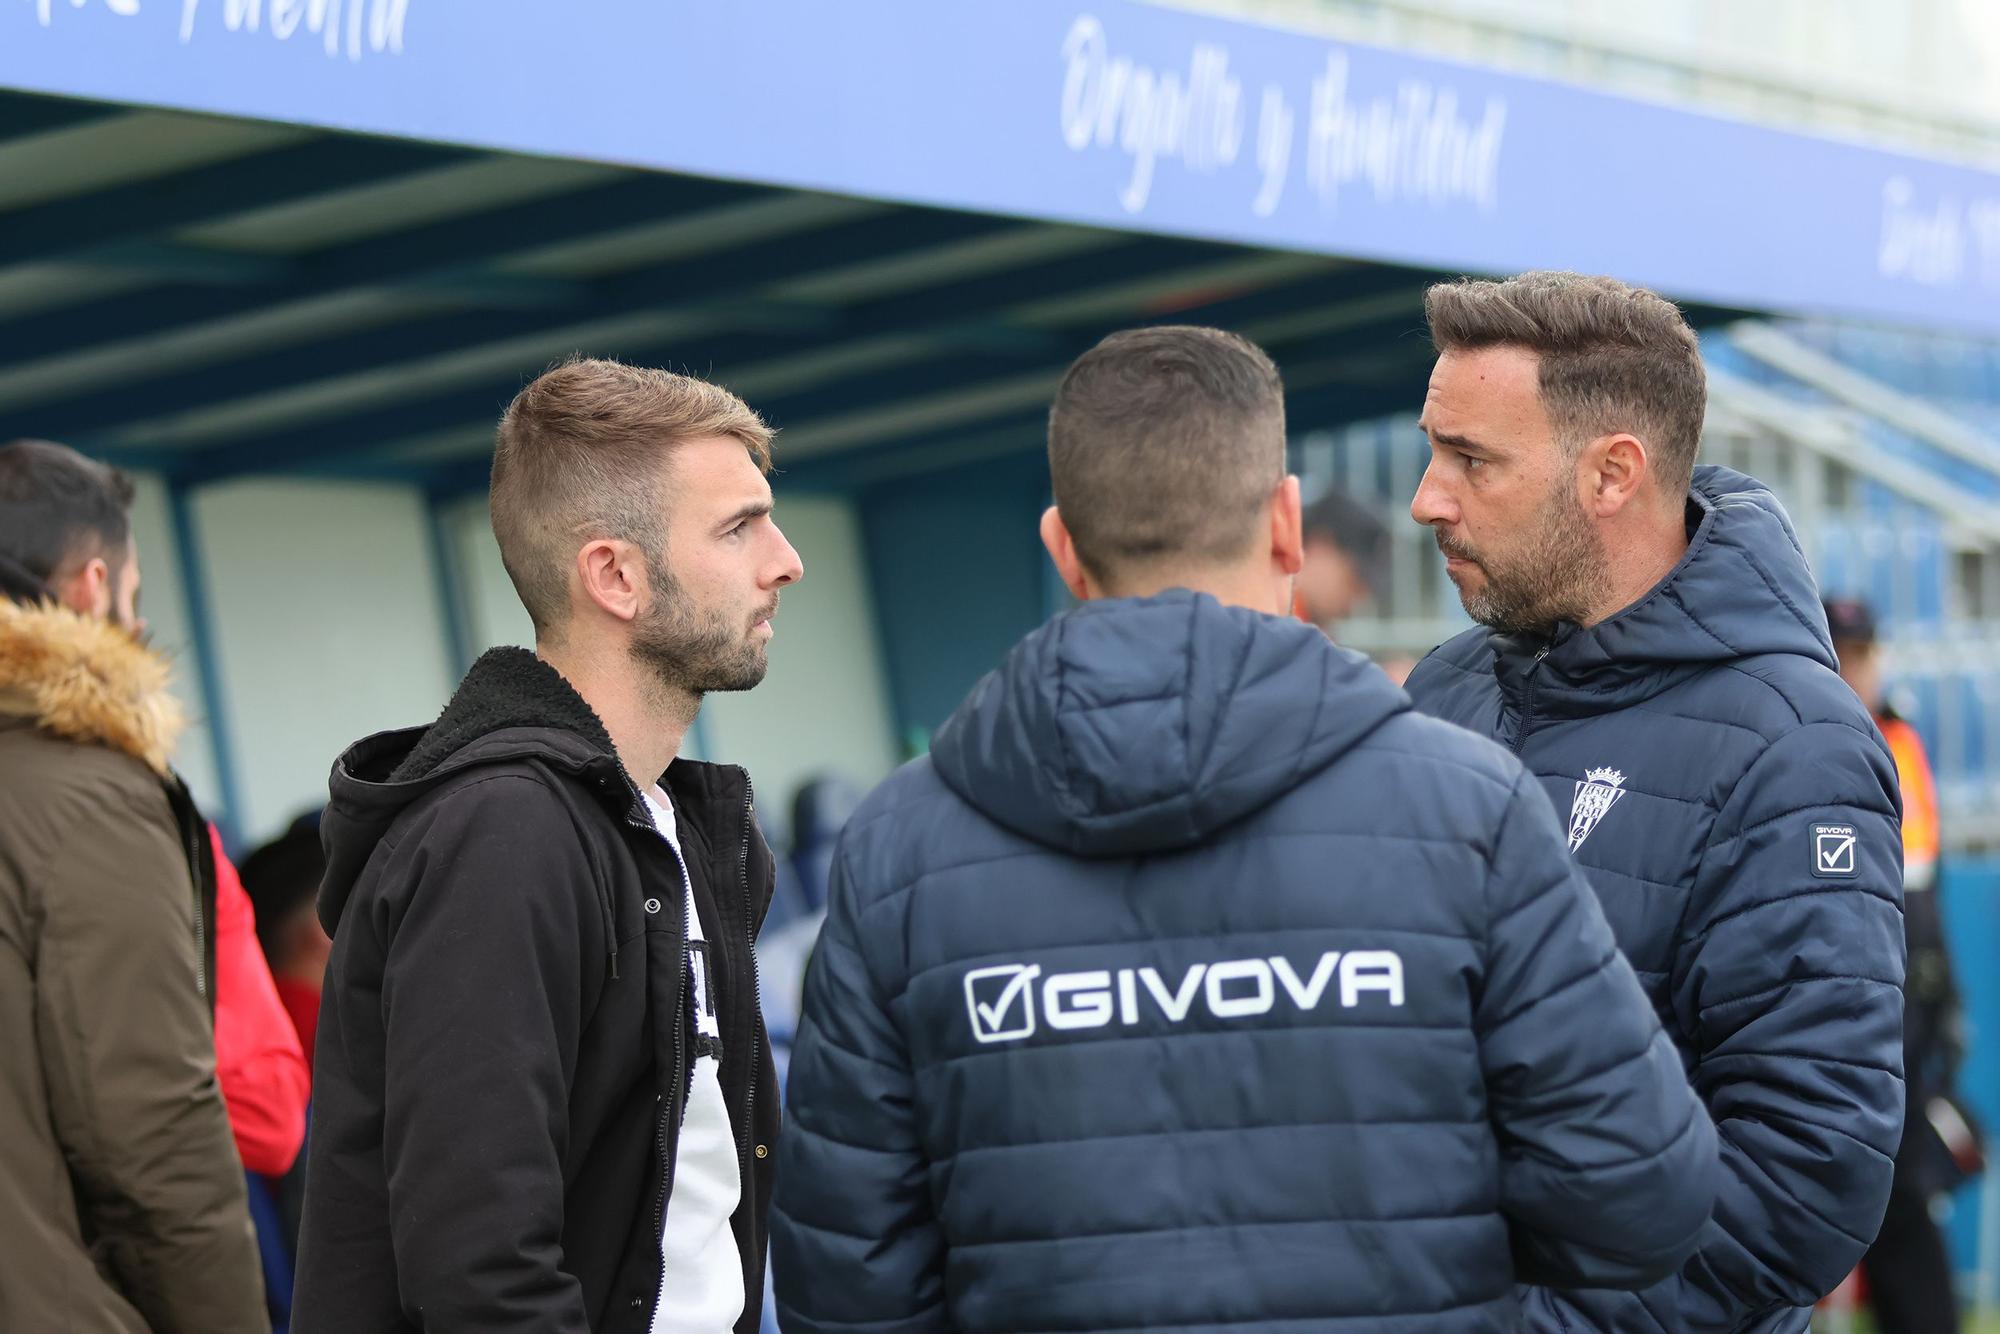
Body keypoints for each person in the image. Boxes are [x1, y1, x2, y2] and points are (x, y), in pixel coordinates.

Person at [771, 325, 1717, 1332]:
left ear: (1059, 545)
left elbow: (847, 1278)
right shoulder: (1466, 809)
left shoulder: (900, 846)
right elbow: (1639, 1196)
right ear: (1284, 525)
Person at [1402, 272, 1906, 1332]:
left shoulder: (1791, 744)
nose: (1425, 497)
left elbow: (1801, 1177)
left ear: (1611, 474)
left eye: (1470, 459)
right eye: (1430, 448)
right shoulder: (1443, 687)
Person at [293, 359, 802, 1334]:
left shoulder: (676, 829)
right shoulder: (501, 833)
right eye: (738, 526)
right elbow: (480, 1263)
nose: (784, 560)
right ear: (614, 573)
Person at [0, 439, 267, 1333]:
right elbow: (148, 1138)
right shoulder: (86, 800)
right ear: (91, 586)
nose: (140, 625)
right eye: (136, 598)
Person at [1826, 597, 1971, 1334]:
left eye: (1865, 653)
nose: (1862, 669)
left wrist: (1945, 1007)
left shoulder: (1897, 740)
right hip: (1854, 1000)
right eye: (1847, 655)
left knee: (1900, 1197)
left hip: (1905, 1002)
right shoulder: (1818, 736)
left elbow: (1922, 887)